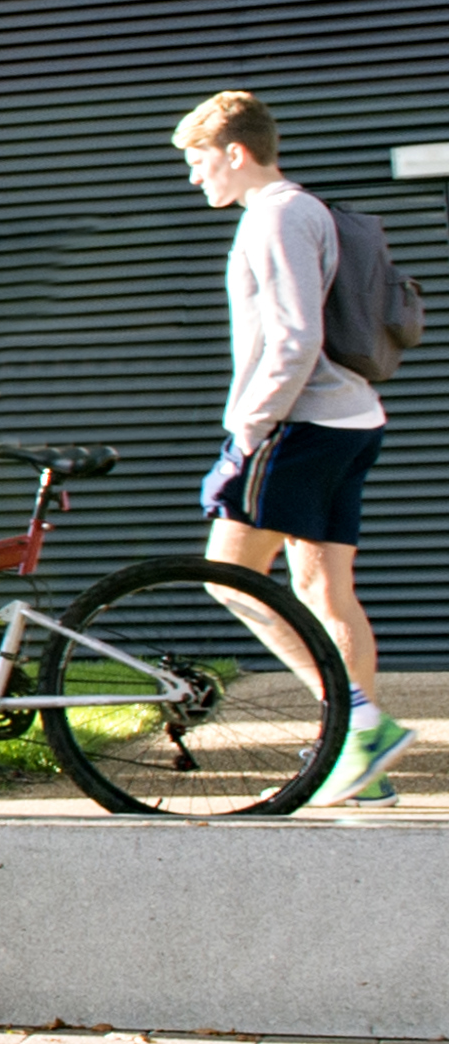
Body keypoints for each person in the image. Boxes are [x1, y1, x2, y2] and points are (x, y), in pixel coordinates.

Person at [176, 92, 409, 805]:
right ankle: (361, 766)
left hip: (297, 426)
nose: (195, 177)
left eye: (199, 159)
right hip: (349, 419)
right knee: (323, 589)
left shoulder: (272, 217)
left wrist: (248, 429)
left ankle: (356, 724)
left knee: (227, 576)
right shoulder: (307, 209)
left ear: (235, 152)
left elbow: (294, 338)